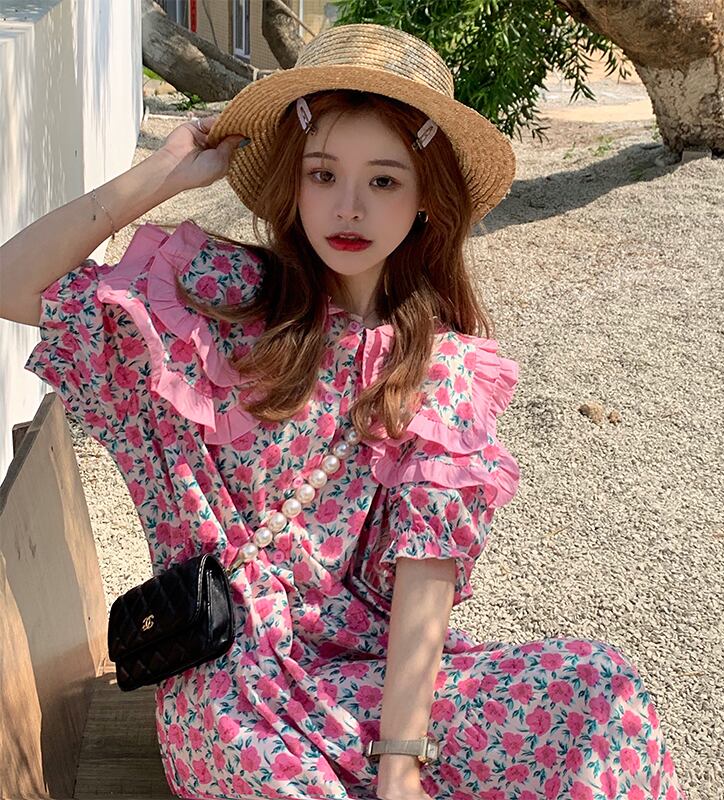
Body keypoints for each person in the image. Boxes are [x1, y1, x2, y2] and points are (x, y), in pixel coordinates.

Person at [0, 22, 686, 800]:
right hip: (234, 697)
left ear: (426, 199)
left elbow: (423, 584)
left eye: (384, 181)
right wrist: (162, 175)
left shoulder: (444, 369)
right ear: (294, 184)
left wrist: (401, 763)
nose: (348, 207)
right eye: (322, 174)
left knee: (597, 687)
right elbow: (14, 281)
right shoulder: (222, 300)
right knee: (272, 766)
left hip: (365, 685)